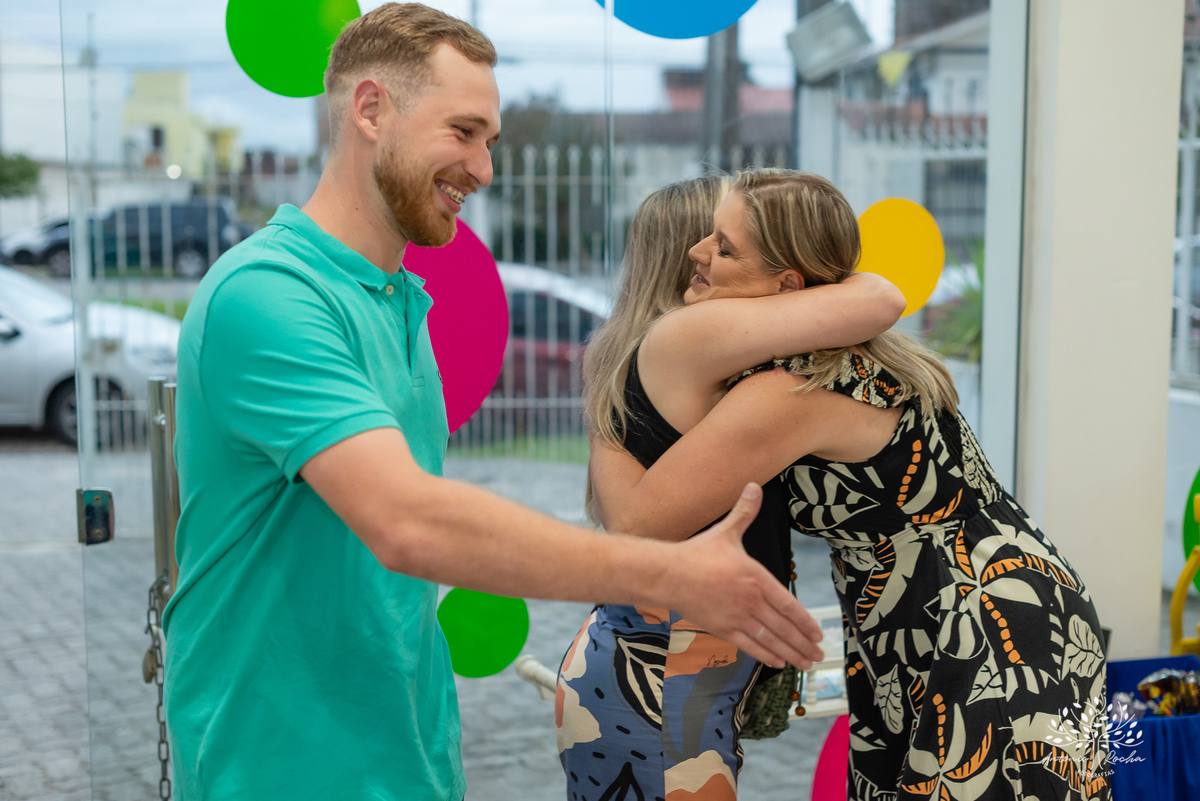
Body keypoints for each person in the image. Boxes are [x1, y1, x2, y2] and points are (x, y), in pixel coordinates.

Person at [160, 7, 829, 801]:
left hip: (408, 759)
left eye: (491, 142)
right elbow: (409, 522)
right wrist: (675, 573)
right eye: (464, 131)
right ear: (370, 110)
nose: (482, 168)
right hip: (276, 767)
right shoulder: (266, 295)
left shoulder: (400, 301)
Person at [589, 169, 1111, 800]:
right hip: (944, 607)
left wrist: (604, 398)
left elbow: (638, 524)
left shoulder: (787, 393)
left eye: (724, 247)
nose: (698, 253)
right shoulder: (844, 349)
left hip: (977, 618)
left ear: (788, 285)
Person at [556, 176, 906, 800]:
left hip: (641, 651)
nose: (705, 249)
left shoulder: (640, 356)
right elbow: (879, 299)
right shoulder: (691, 343)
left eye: (723, 242)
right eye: (718, 239)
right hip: (666, 668)